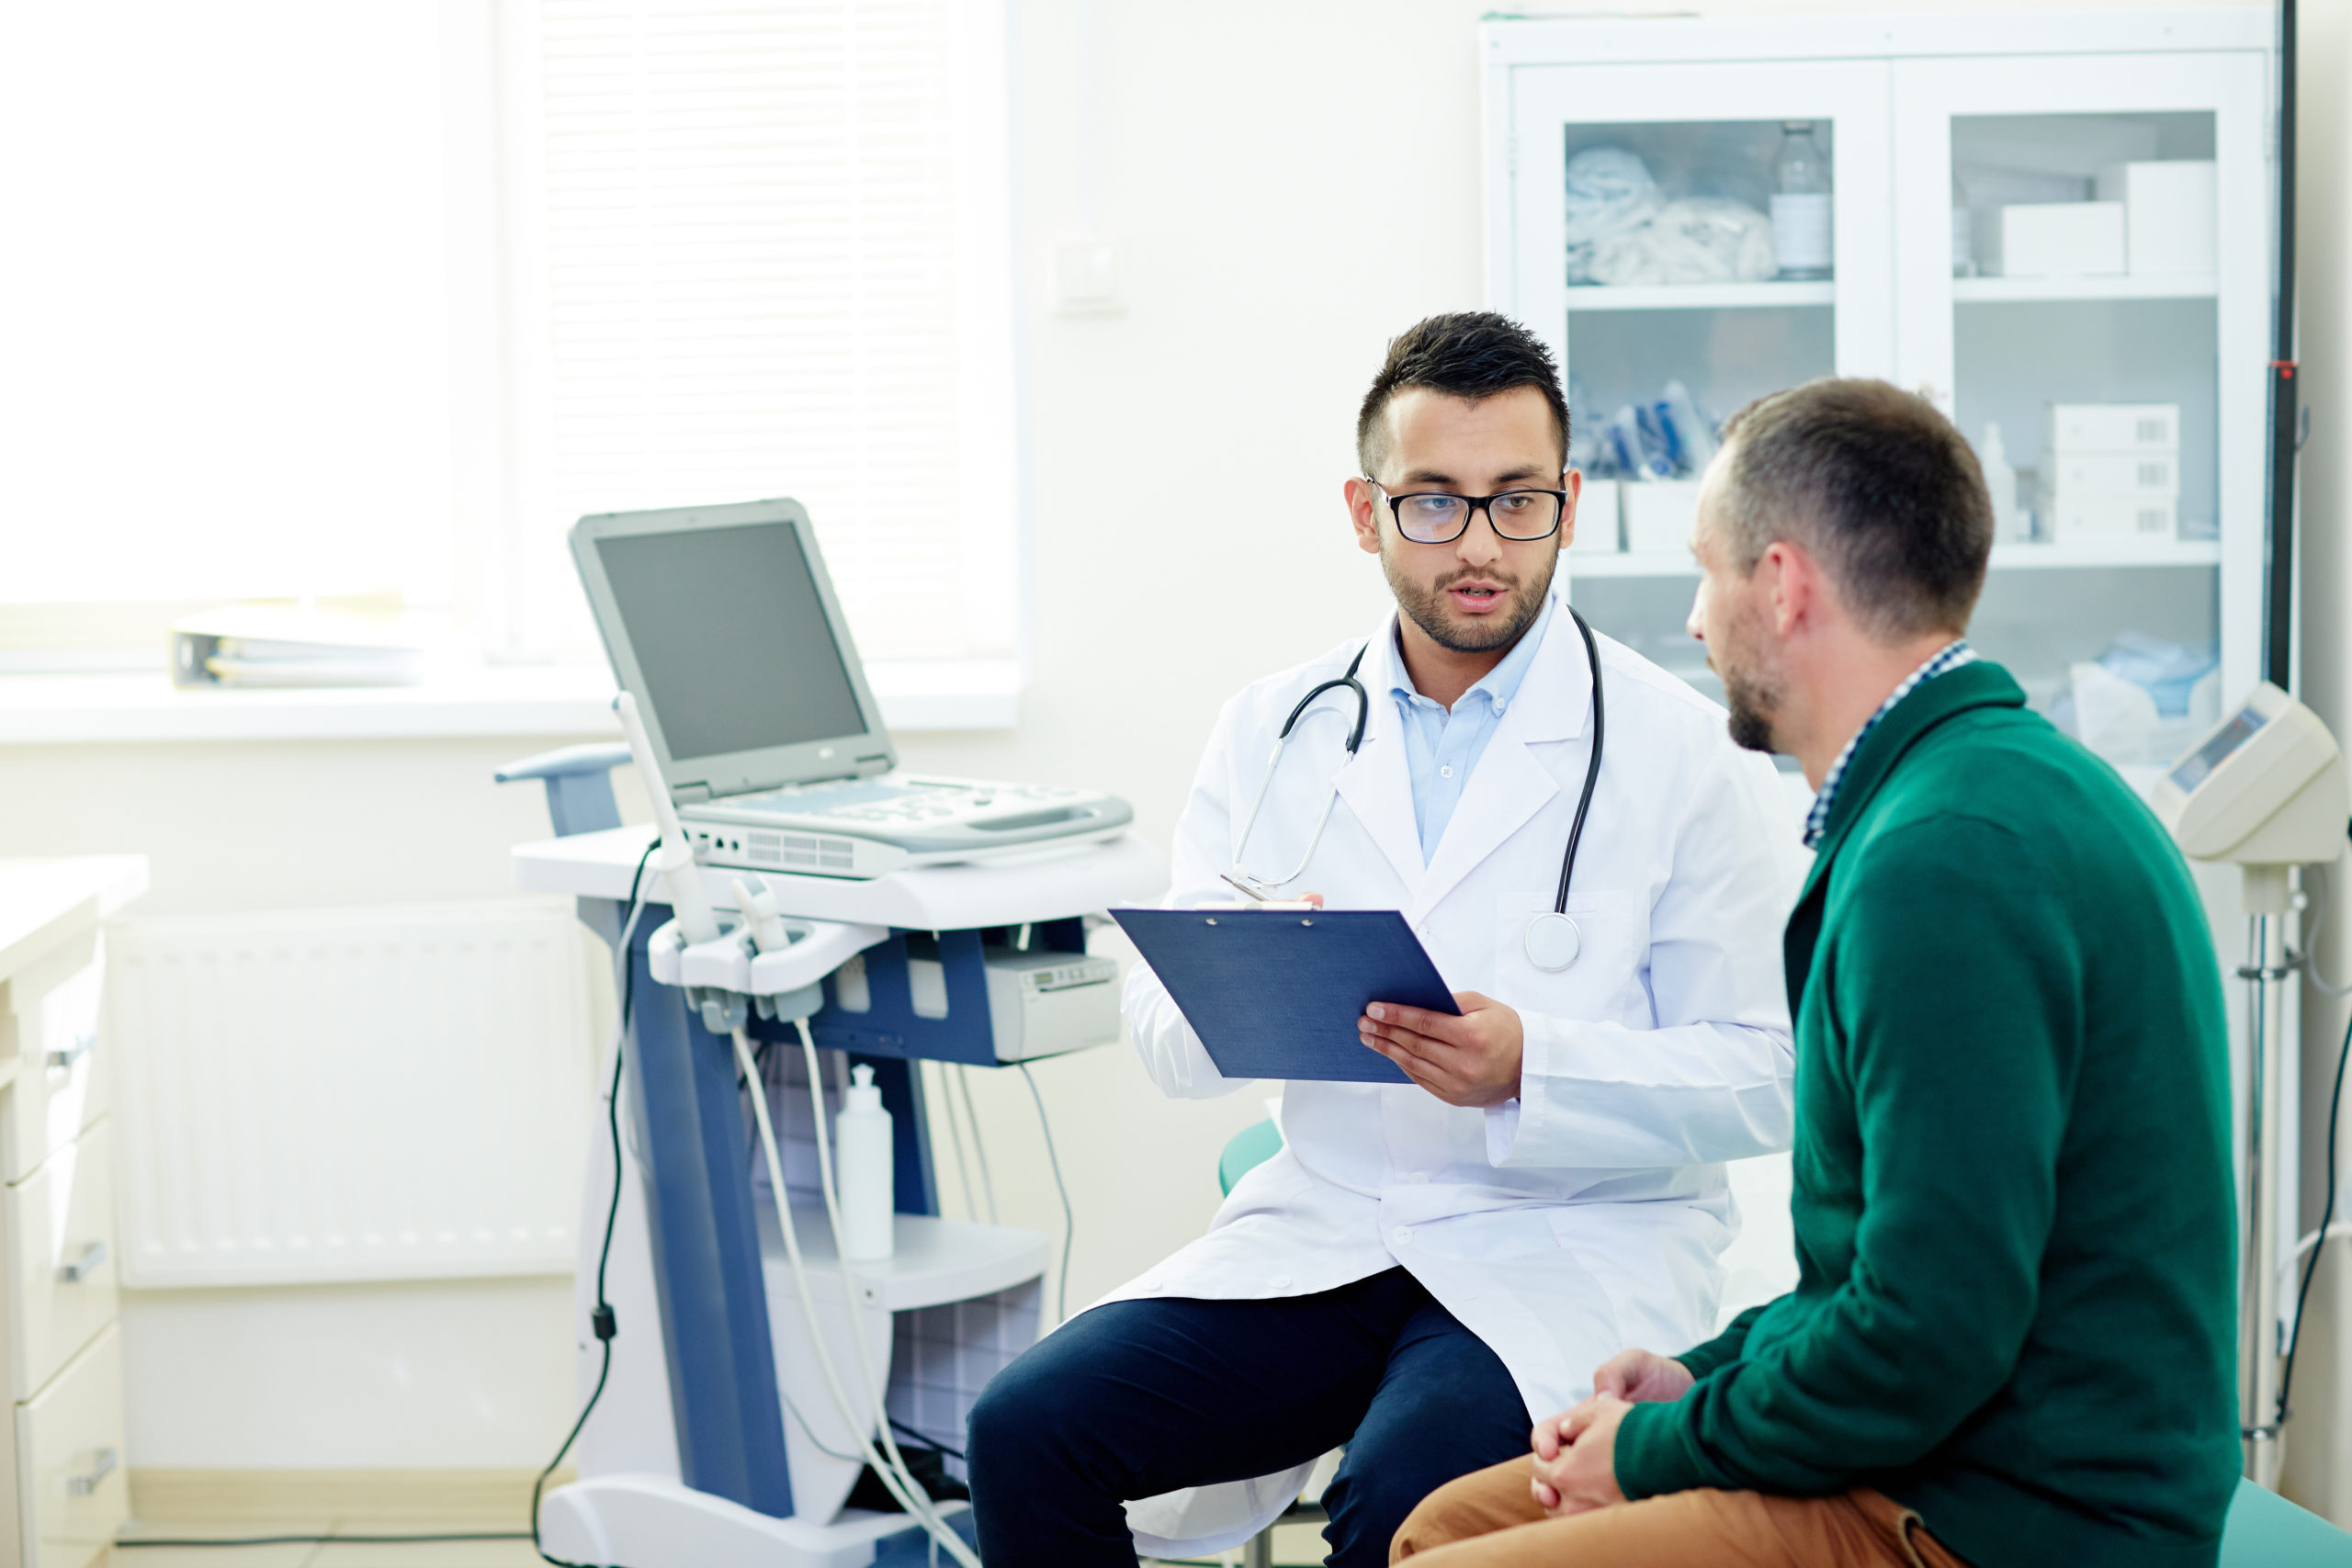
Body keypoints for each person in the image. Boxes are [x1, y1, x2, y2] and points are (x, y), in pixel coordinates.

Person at [966, 311, 1804, 1567]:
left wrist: (1535, 1065)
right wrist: (1245, 979)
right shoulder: (1273, 730)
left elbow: (1767, 1069)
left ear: (1568, 505)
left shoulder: (1681, 750)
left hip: (1570, 1237)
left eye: (1516, 502)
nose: (1478, 546)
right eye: (1433, 504)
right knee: (1027, 1428)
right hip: (1335, 1223)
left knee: (1402, 1508)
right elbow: (1159, 1031)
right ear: (1365, 512)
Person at [1390, 378, 2240, 1568]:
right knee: (1442, 1523)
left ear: (1781, 586)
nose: (1694, 622)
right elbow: (1879, 1275)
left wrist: (1649, 1451)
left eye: (1707, 572)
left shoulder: (1947, 860)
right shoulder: (1970, 794)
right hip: (1944, 1450)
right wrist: (1701, 1377)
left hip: (2009, 1516)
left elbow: (1926, 1337)